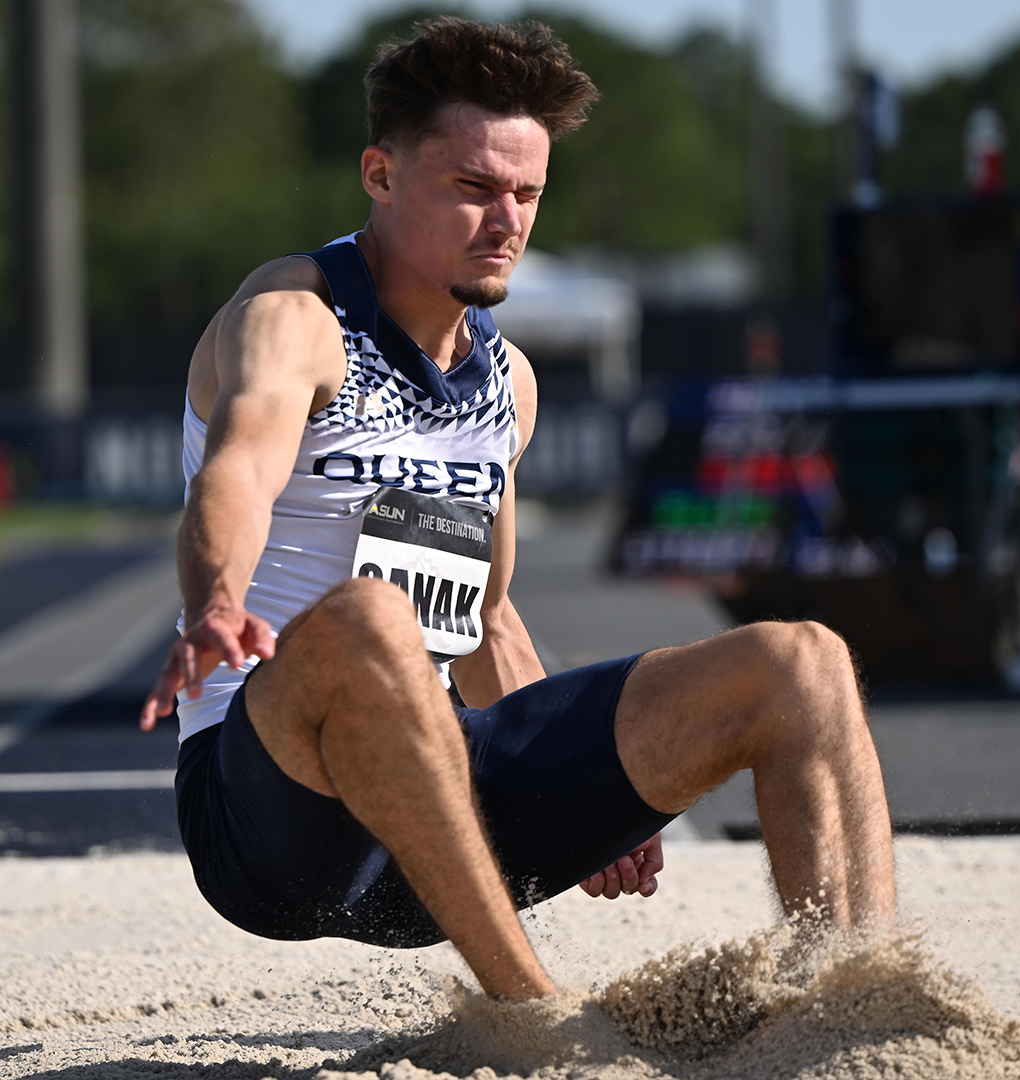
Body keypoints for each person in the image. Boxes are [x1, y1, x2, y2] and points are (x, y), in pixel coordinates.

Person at [141, 17, 894, 1002]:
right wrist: (214, 601)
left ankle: (861, 1005)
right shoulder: (294, 321)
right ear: (380, 174)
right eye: (473, 189)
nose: (507, 221)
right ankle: (532, 1019)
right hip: (277, 822)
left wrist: (592, 793)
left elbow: (487, 614)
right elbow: (233, 477)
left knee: (806, 662)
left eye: (527, 193)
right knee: (375, 620)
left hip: (440, 815)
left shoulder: (509, 382)